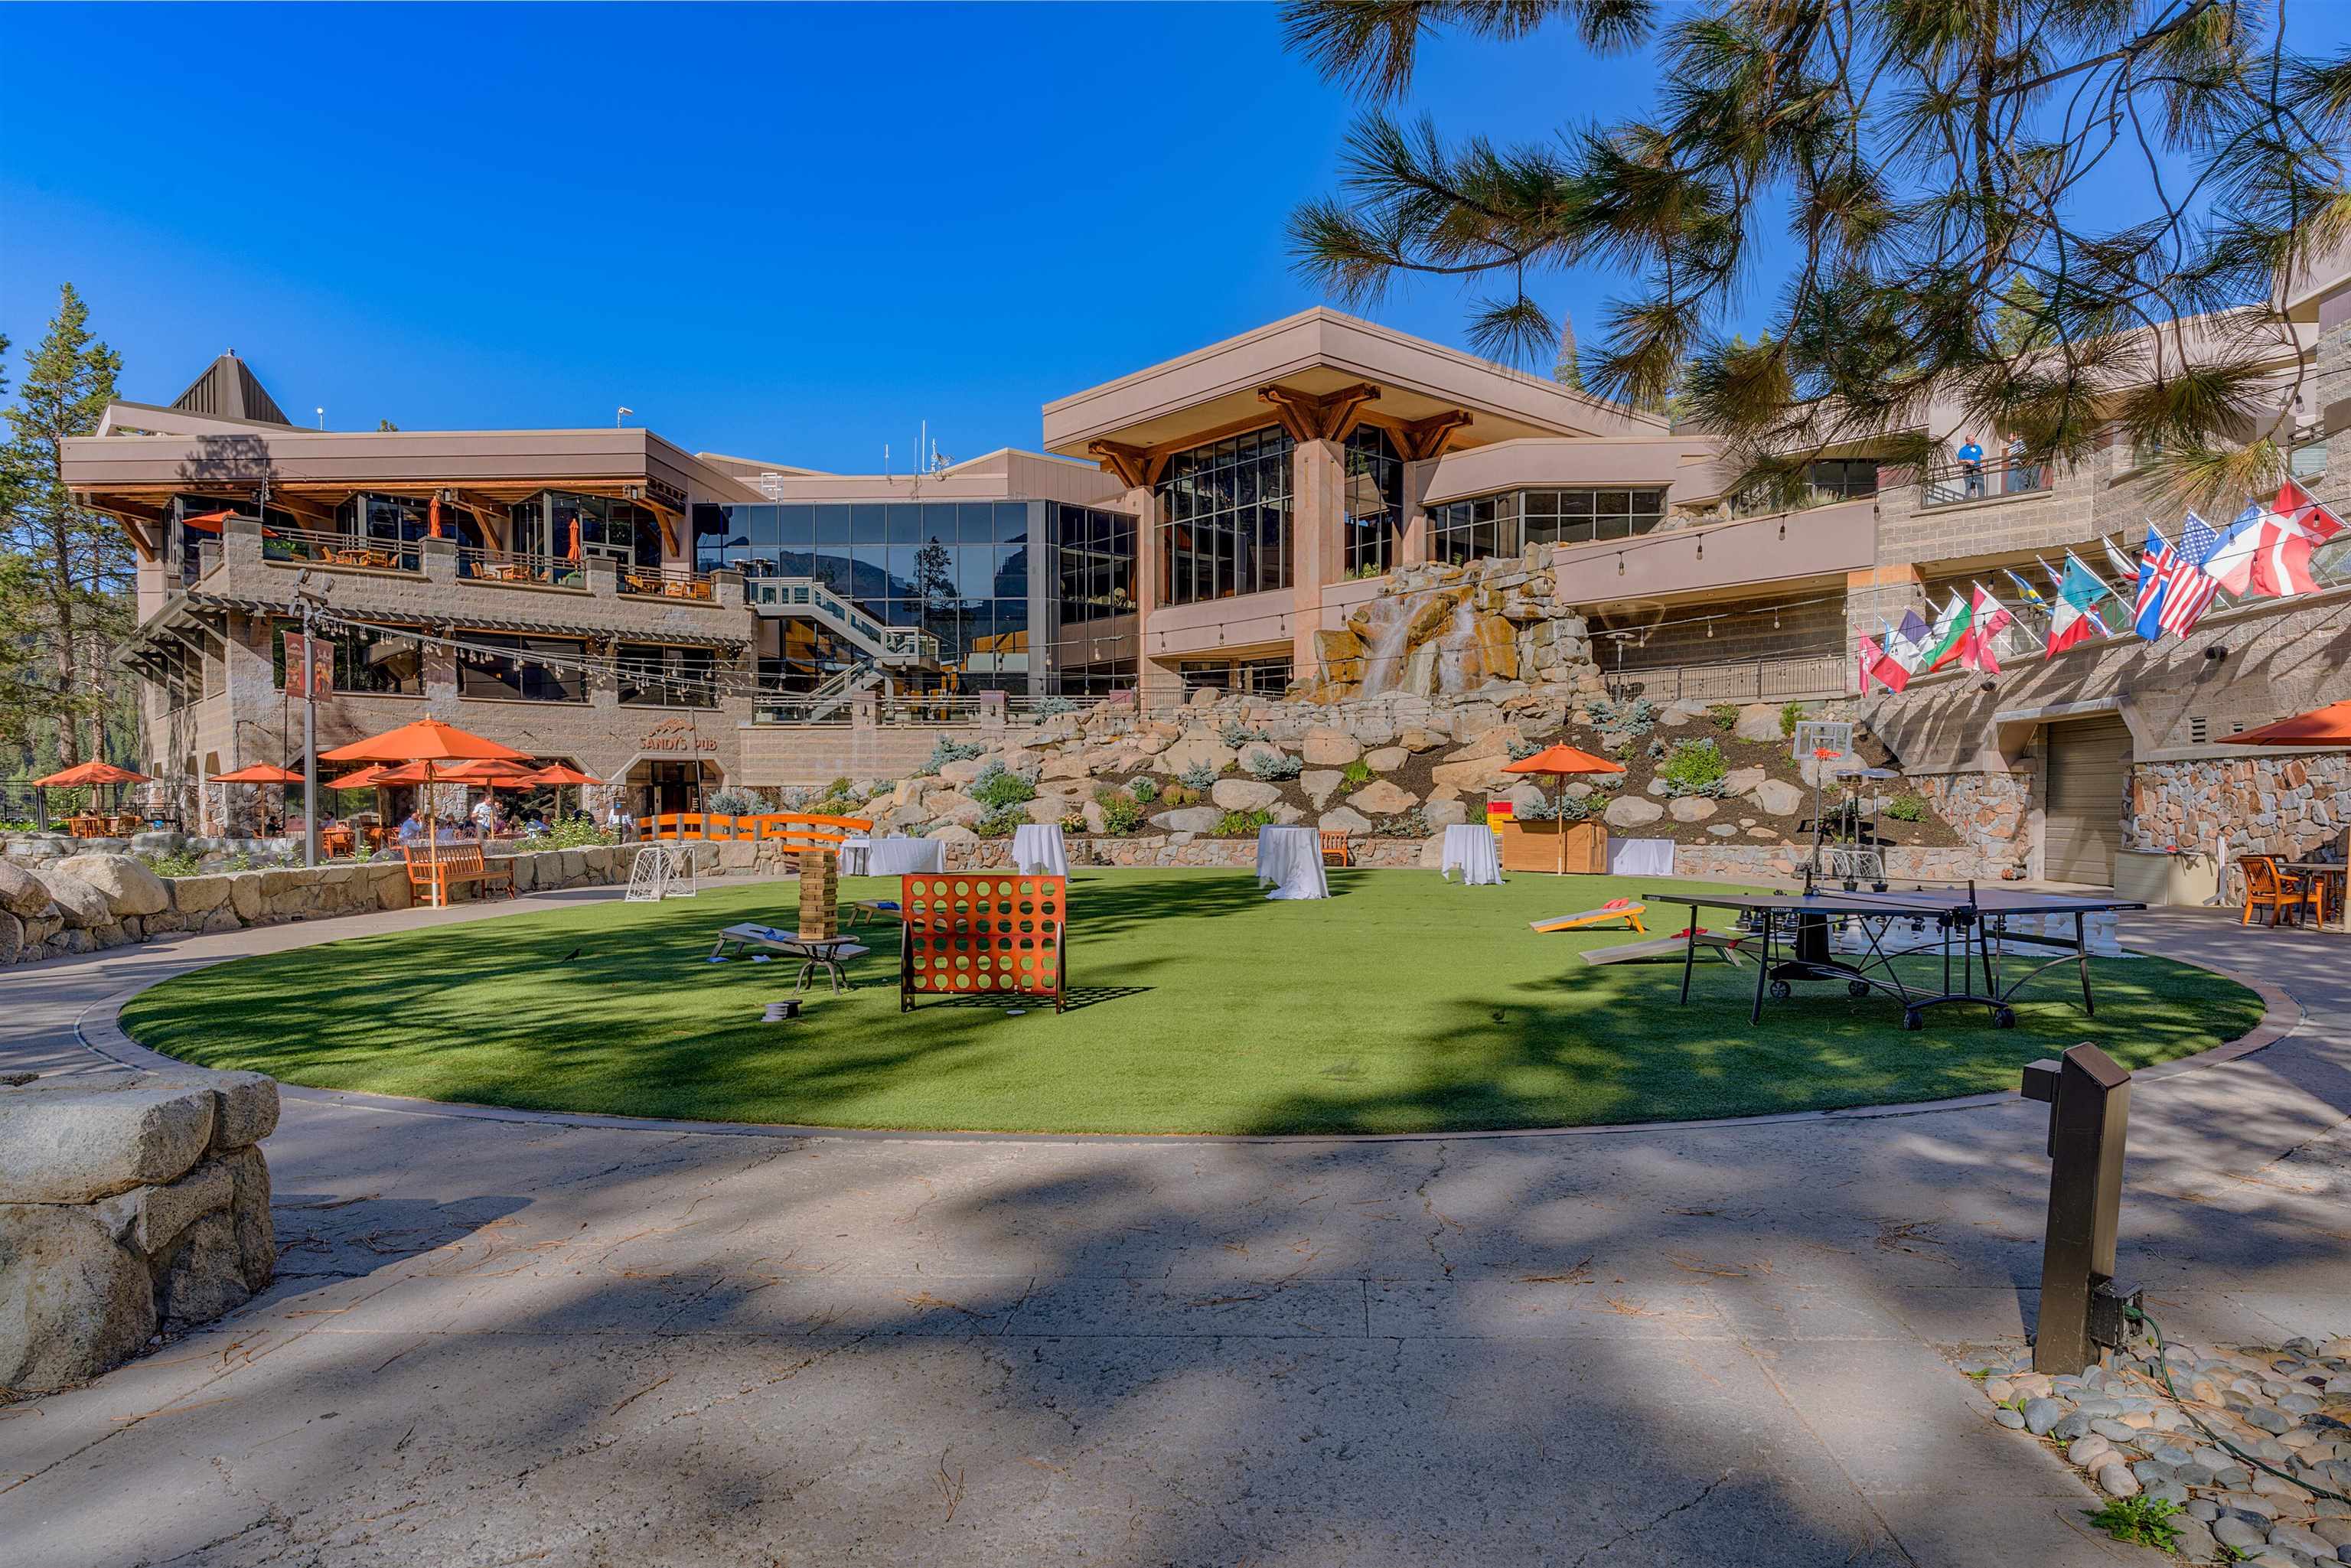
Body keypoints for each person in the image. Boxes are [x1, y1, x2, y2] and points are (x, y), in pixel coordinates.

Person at [1956, 434, 1984, 498]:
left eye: (1974, 439)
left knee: (1980, 484)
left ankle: (1982, 499)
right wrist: (1967, 461)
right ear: (1967, 442)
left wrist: (1984, 463)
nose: (1974, 441)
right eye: (1972, 440)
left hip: (1977, 467)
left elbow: (1981, 456)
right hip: (1968, 468)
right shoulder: (1963, 450)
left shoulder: (1978, 447)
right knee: (1969, 486)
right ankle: (1968, 501)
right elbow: (1959, 461)